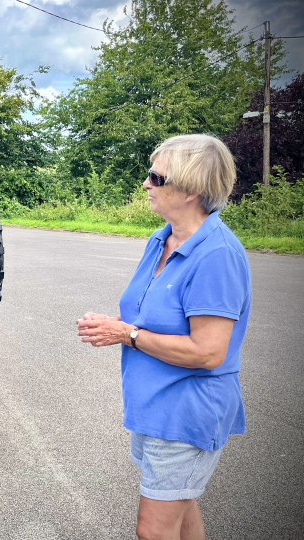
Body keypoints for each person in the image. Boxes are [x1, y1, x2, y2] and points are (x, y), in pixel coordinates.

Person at [76, 134, 251, 540]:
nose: (145, 184)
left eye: (156, 177)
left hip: (187, 413)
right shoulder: (162, 239)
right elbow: (147, 313)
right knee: (182, 503)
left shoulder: (216, 255)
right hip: (155, 408)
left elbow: (208, 352)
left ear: (191, 189)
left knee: (153, 531)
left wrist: (126, 334)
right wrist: (114, 326)